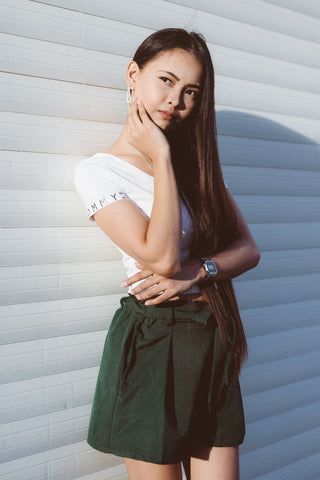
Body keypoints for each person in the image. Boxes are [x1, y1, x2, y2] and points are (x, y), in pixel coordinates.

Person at [75, 27, 260, 480]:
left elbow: (248, 249)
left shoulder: (197, 166)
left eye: (191, 91)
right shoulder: (98, 172)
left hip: (209, 337)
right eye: (166, 80)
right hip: (154, 342)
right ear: (133, 75)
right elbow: (159, 259)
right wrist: (159, 157)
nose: (176, 101)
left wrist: (199, 272)